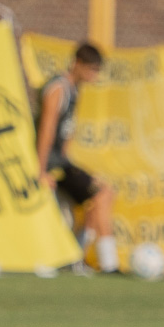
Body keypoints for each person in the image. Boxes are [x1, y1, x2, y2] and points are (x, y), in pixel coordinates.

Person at [37, 42, 119, 273]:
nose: (94, 76)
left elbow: (66, 132)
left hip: (61, 162)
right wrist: (41, 171)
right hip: (51, 165)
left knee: (103, 193)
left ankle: (79, 259)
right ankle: (105, 263)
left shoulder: (74, 89)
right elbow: (46, 130)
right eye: (91, 69)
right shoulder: (58, 89)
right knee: (101, 193)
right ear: (77, 64)